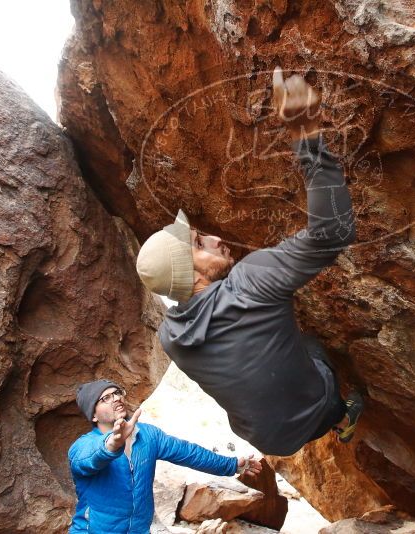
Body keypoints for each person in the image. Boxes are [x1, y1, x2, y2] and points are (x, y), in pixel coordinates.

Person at [136, 67, 364, 457]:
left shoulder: (170, 339)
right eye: (199, 242)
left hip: (267, 441)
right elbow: (334, 232)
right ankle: (342, 416)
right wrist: (307, 136)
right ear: (190, 272)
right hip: (317, 412)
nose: (216, 237)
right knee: (313, 343)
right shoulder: (249, 281)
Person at [67, 379, 261, 533]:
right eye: (105, 398)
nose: (116, 398)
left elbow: (190, 453)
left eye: (117, 392)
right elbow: (87, 460)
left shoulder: (148, 435)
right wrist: (111, 445)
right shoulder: (83, 446)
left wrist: (232, 465)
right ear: (93, 416)